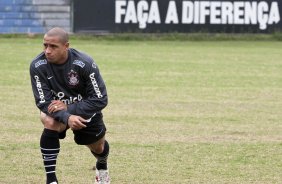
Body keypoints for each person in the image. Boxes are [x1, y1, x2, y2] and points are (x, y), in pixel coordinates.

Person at [29, 27, 110, 184]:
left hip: (85, 110)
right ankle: (51, 180)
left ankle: (102, 164)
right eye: (45, 45)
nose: (48, 51)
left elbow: (100, 99)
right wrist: (67, 117)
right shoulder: (38, 66)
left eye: (53, 46)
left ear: (66, 46)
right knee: (49, 120)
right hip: (57, 112)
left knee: (98, 148)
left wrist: (70, 109)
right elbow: (43, 102)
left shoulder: (85, 63)